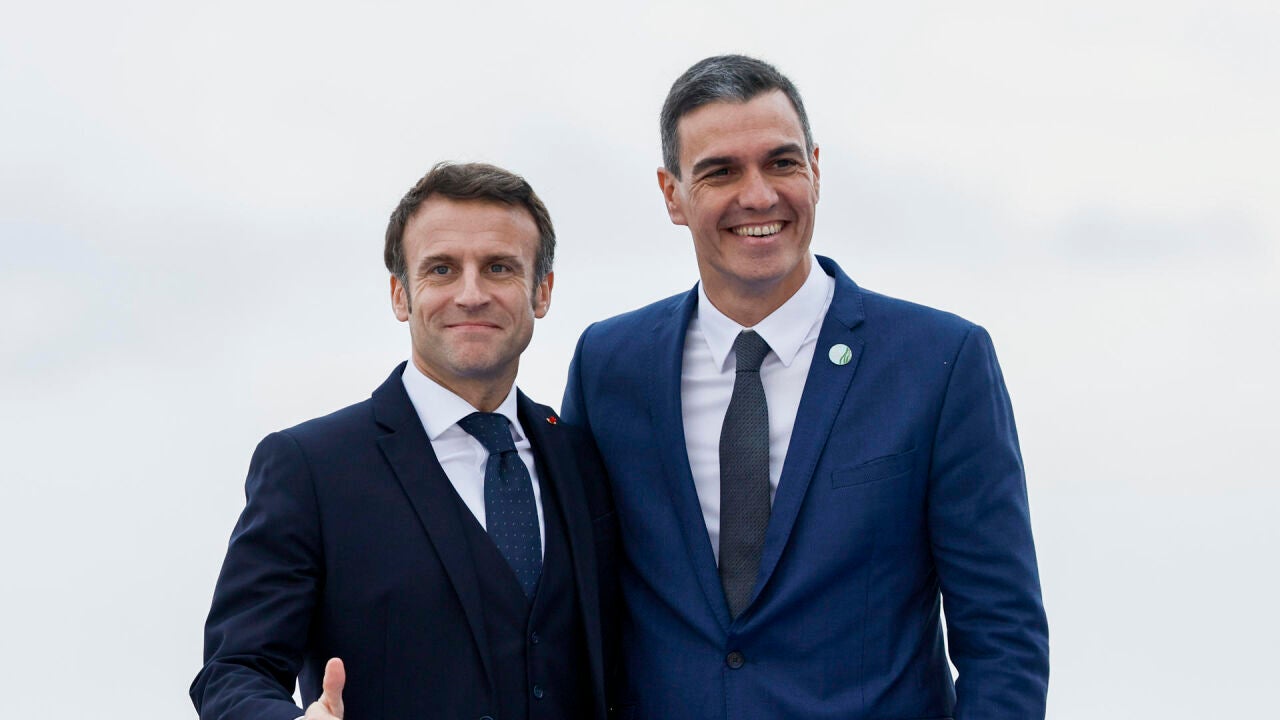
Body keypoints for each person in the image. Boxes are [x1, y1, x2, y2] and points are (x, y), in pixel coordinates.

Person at [562, 55, 1049, 719]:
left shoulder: (940, 362)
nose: (759, 195)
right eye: (720, 171)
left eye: (782, 163)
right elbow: (576, 608)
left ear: (816, 170)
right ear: (671, 194)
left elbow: (1003, 637)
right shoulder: (609, 366)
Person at [192, 161, 616, 720]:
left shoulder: (584, 459)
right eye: (441, 269)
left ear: (542, 292)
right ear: (400, 295)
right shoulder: (311, 468)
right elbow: (233, 671)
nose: (471, 294)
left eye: (498, 268)